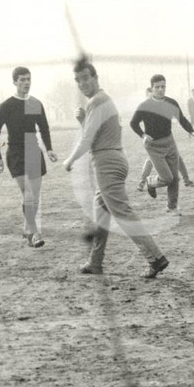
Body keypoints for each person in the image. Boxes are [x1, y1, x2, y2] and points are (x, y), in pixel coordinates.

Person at [62, 61, 170, 279]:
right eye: (78, 80)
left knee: (122, 213)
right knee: (100, 214)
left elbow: (87, 140)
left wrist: (70, 160)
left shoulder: (97, 100)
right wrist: (83, 119)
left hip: (107, 162)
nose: (82, 83)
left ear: (95, 78)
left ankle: (156, 258)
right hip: (114, 159)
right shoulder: (103, 100)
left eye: (85, 78)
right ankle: (95, 262)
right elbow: (97, 133)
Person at [0, 66, 57, 248]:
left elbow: (44, 128)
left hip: (33, 149)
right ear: (15, 82)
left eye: (28, 79)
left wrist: (49, 149)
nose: (26, 83)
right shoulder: (6, 106)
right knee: (27, 193)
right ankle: (34, 233)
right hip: (16, 152)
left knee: (34, 196)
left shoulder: (35, 103)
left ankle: (27, 229)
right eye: (22, 80)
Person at [129, 75, 194, 217]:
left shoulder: (171, 103)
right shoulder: (145, 106)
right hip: (153, 146)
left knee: (175, 178)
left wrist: (193, 132)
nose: (161, 89)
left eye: (163, 86)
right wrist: (143, 135)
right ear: (152, 88)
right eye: (157, 87)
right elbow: (133, 123)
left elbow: (182, 119)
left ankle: (172, 207)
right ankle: (151, 181)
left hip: (169, 143)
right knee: (166, 178)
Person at [135, 86, 194, 190]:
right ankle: (143, 182)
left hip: (165, 142)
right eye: (149, 95)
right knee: (150, 161)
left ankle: (186, 180)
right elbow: (136, 123)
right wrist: (143, 135)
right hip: (153, 143)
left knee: (178, 158)